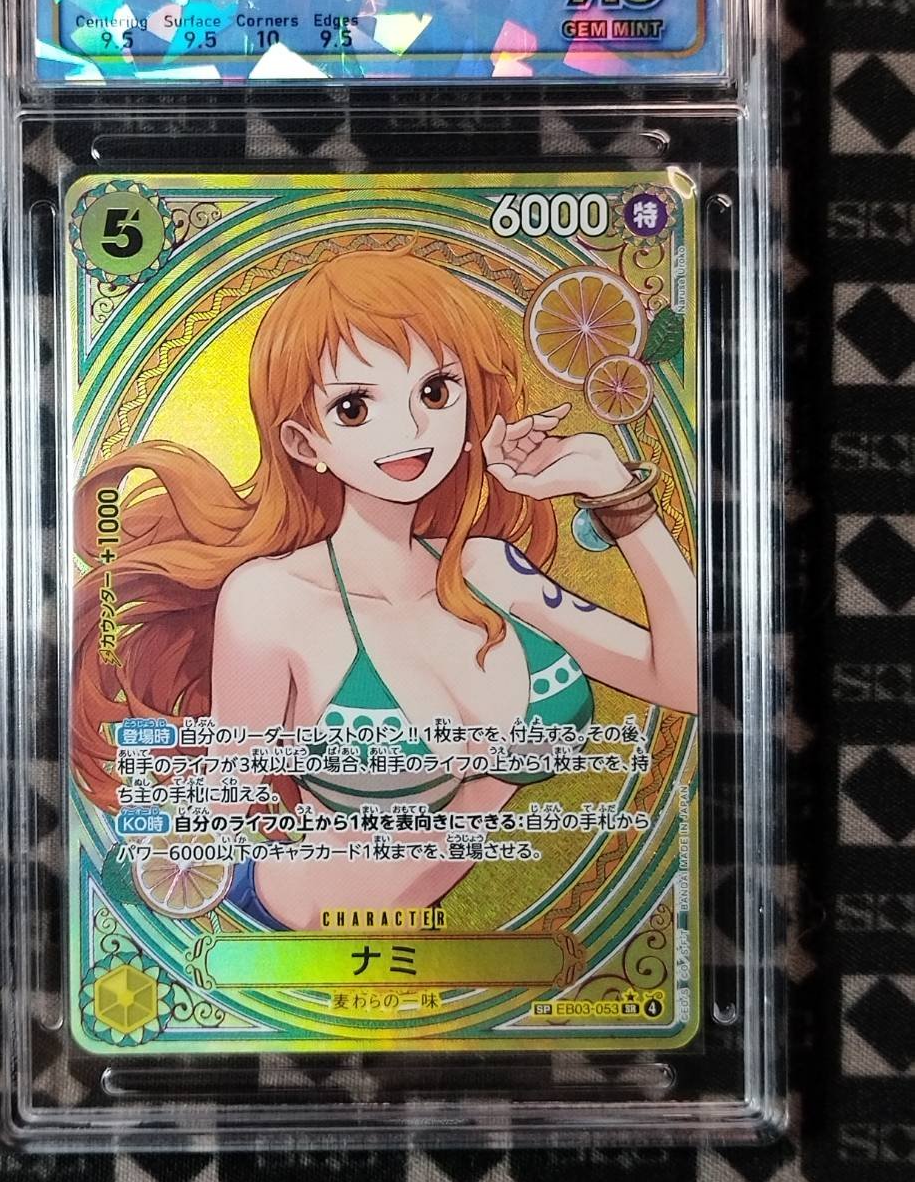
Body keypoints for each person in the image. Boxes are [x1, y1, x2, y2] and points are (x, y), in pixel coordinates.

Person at [74, 246, 697, 929]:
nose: (409, 429)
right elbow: (226, 807)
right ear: (303, 441)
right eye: (353, 406)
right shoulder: (269, 600)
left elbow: (694, 681)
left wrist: (614, 490)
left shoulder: (491, 571)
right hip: (290, 931)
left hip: (450, 956)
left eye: (434, 392)